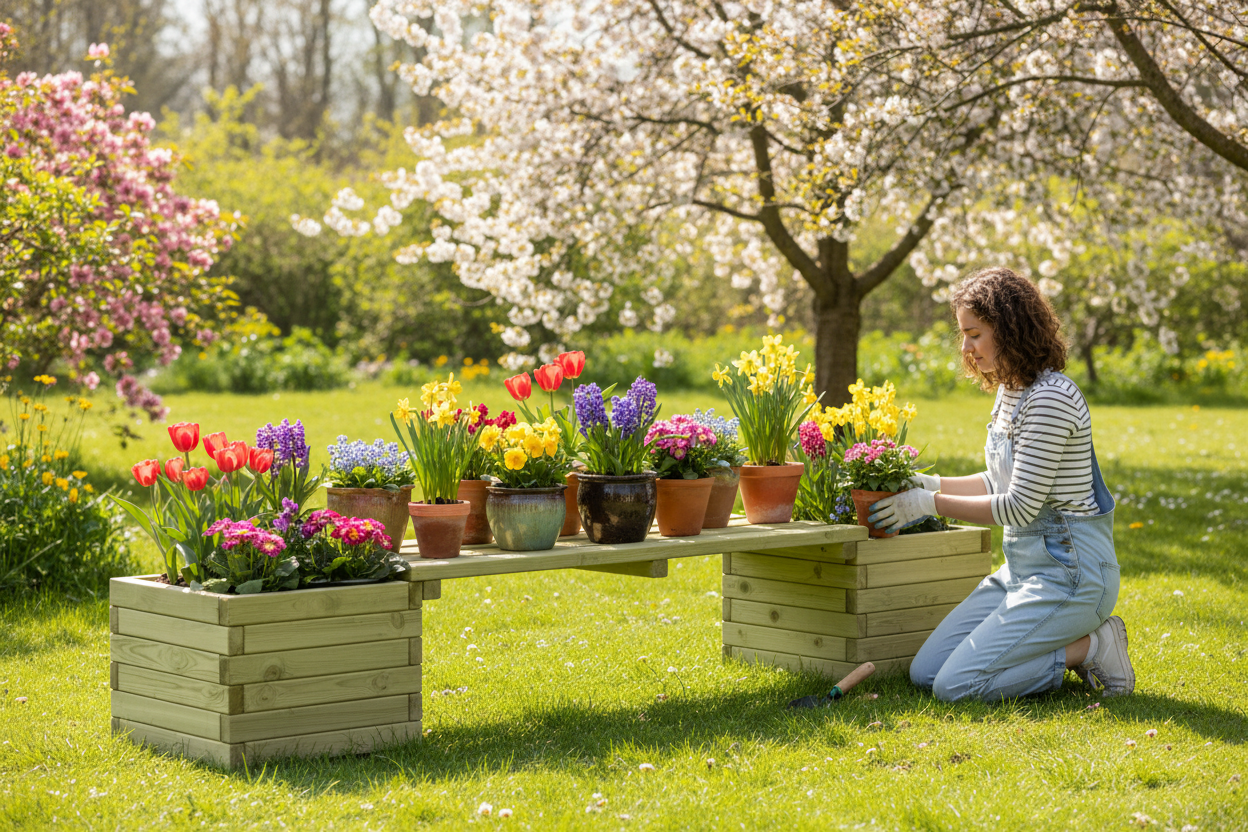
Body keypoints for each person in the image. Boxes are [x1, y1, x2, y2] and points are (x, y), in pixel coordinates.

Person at [870, 267, 1132, 703]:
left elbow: (1018, 508)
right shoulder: (1011, 390)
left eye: (974, 334)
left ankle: (1092, 646)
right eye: (963, 335)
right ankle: (1064, 645)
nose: (966, 348)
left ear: (1009, 329)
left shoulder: (1051, 398)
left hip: (1073, 576)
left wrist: (927, 503)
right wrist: (926, 481)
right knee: (926, 672)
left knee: (956, 687)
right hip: (1024, 571)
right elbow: (998, 480)